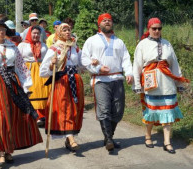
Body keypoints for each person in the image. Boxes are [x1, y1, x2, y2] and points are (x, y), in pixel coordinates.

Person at [0, 20, 42, 166]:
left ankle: (9, 150)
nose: (1, 32)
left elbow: (21, 67)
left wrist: (26, 86)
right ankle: (1, 152)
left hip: (12, 83)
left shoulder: (13, 47)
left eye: (3, 29)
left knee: (12, 116)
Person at [133, 17, 189, 154]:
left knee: (168, 111)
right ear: (149, 29)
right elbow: (137, 66)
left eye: (159, 28)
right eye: (154, 28)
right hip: (150, 81)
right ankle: (148, 136)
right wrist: (137, 84)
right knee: (151, 111)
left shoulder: (167, 44)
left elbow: (174, 64)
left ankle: (167, 142)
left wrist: (179, 83)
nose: (157, 31)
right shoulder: (142, 44)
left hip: (167, 82)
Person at [81, 13, 133, 153]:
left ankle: (109, 137)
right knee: (104, 109)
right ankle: (109, 139)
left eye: (109, 20)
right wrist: (97, 68)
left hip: (117, 79)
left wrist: (129, 73)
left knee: (118, 110)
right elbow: (84, 59)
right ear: (99, 24)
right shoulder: (92, 41)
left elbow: (126, 59)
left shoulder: (119, 42)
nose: (107, 22)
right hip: (100, 80)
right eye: (104, 21)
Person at [40, 23, 84, 151]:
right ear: (59, 32)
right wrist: (51, 65)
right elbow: (43, 71)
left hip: (75, 80)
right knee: (65, 109)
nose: (67, 32)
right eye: (64, 30)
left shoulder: (75, 48)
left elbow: (82, 64)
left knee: (74, 109)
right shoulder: (54, 49)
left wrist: (93, 63)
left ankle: (68, 138)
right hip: (62, 82)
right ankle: (71, 139)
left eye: (69, 30)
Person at [18, 26, 50, 127]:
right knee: (33, 91)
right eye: (34, 33)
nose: (36, 35)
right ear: (29, 34)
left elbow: (48, 57)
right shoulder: (23, 45)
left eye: (37, 33)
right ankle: (35, 115)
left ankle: (43, 115)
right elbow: (18, 59)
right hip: (29, 69)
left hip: (42, 70)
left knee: (44, 90)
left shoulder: (43, 45)